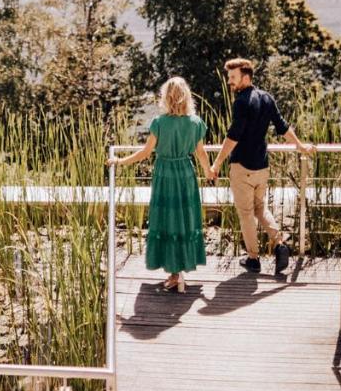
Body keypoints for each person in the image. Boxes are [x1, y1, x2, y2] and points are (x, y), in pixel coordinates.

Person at [206, 57, 316, 273]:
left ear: (246, 77)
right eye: (229, 77)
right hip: (262, 167)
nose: (230, 82)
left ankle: (253, 259)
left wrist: (217, 163)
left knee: (246, 213)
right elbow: (283, 127)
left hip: (242, 167)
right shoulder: (267, 98)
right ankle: (280, 243)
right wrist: (301, 146)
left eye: (233, 77)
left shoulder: (241, 102)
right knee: (260, 208)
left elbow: (233, 136)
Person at [118, 77, 210, 293]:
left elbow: (145, 153)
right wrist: (209, 171)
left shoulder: (159, 123)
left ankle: (174, 272)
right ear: (186, 96)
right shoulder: (195, 122)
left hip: (165, 173)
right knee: (184, 219)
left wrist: (120, 161)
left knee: (167, 219)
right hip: (186, 173)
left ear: (165, 97)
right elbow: (201, 153)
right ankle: (180, 269)